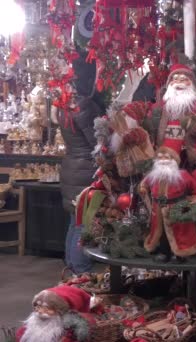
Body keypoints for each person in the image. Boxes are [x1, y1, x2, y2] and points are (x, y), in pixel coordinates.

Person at [61, 48, 104, 274]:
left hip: (71, 167)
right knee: (83, 221)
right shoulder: (84, 105)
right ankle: (81, 270)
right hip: (85, 170)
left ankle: (71, 265)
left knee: (73, 219)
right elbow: (95, 141)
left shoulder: (66, 103)